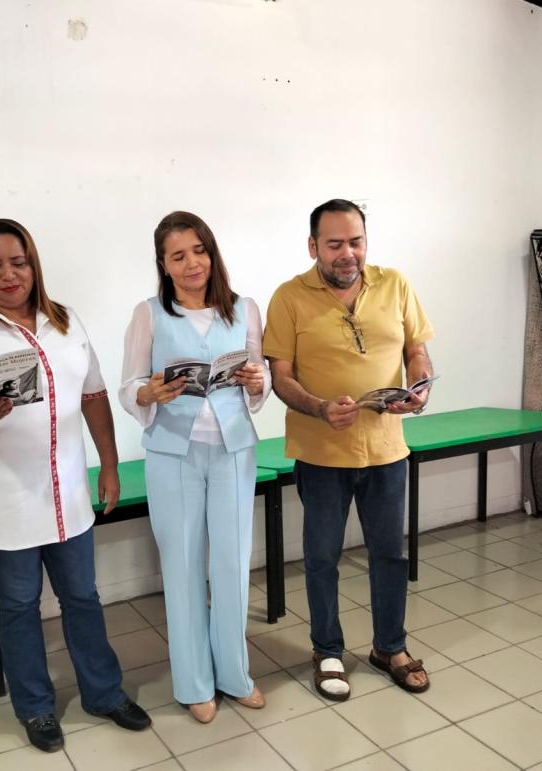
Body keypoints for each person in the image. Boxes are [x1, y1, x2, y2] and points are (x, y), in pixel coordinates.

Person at [0, 218, 151, 753]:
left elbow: (93, 394)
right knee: (20, 604)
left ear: (34, 264)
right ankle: (35, 707)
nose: (9, 275)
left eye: (18, 262)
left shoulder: (65, 321)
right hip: (4, 499)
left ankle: (104, 694)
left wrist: (109, 465)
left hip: (68, 492)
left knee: (82, 597)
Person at [262, 199, 434, 699]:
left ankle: (390, 647)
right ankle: (327, 650)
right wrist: (318, 408)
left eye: (356, 242)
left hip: (386, 450)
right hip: (321, 454)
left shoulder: (395, 284)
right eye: (334, 244)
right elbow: (280, 376)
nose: (347, 253)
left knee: (390, 555)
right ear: (312, 246)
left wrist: (420, 386)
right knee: (321, 558)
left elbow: (417, 350)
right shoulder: (288, 297)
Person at [120, 211, 270, 723]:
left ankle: (235, 674)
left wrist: (258, 381)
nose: (192, 264)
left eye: (199, 251)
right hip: (172, 454)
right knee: (182, 566)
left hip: (233, 449)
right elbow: (129, 385)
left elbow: (260, 374)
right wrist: (148, 392)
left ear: (212, 253)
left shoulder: (244, 309)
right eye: (178, 256)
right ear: (163, 264)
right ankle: (193, 683)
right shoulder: (149, 315)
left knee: (232, 563)